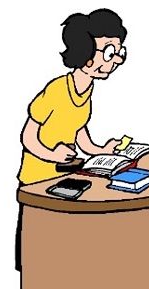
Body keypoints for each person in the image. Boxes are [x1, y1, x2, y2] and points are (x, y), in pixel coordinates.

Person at [15, 9, 127, 271]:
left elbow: (78, 131)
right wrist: (52, 154)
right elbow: (28, 135)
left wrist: (100, 150)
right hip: (37, 181)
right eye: (109, 53)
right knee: (35, 252)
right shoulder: (56, 91)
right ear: (85, 53)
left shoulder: (87, 90)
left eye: (119, 52)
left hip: (62, 177)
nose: (115, 61)